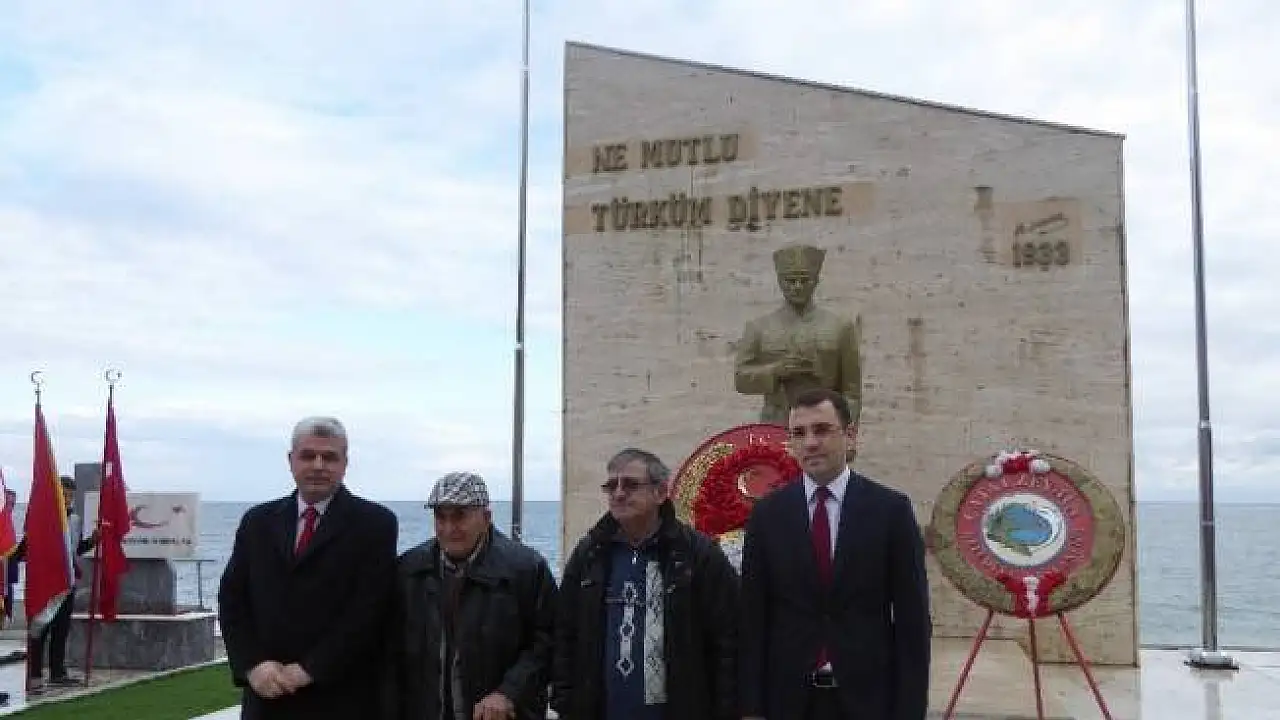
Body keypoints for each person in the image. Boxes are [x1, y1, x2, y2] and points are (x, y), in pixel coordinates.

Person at [739, 388, 931, 720]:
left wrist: (910, 710)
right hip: (787, 701)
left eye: (822, 430)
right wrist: (751, 708)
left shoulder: (891, 511)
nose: (810, 443)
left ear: (850, 435)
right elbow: (753, 618)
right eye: (799, 433)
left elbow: (912, 621)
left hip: (868, 701)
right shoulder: (767, 516)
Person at [218, 416, 399, 719]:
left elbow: (369, 611)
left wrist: (309, 670)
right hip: (266, 697)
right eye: (308, 455)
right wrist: (252, 665)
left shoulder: (375, 524)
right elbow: (232, 600)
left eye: (329, 457)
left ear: (345, 463)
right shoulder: (257, 522)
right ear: (291, 460)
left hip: (341, 698)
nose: (318, 465)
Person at [553, 448, 739, 720]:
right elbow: (564, 632)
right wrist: (565, 703)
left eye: (630, 484)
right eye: (611, 486)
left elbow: (728, 640)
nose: (618, 493)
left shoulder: (697, 555)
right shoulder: (590, 554)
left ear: (660, 492)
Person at [382, 471, 556, 720]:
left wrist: (508, 692)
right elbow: (390, 652)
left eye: (459, 516)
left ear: (486, 518)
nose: (448, 528)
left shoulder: (527, 570)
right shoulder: (409, 570)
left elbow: (547, 642)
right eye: (440, 517)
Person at [15, 475, 99, 693]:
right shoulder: (42, 518)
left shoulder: (76, 520)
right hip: (46, 583)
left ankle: (57, 672)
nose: (67, 499)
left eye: (70, 495)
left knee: (61, 630)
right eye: (63, 494)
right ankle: (34, 675)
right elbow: (24, 548)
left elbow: (76, 549)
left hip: (67, 582)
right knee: (40, 628)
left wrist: (93, 541)